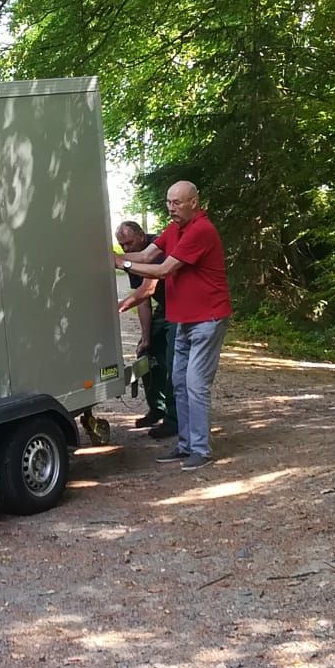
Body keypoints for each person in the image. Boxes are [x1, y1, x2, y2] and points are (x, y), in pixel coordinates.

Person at [113, 181, 231, 470]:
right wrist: (110, 257)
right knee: (179, 381)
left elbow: (164, 269)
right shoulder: (173, 230)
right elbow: (145, 256)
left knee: (195, 384)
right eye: (168, 202)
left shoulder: (201, 230)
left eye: (177, 202)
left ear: (194, 202)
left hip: (207, 319)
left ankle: (201, 450)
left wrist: (121, 264)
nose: (171, 208)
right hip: (184, 320)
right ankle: (186, 445)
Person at [114, 220, 178, 439]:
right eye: (122, 245)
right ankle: (156, 408)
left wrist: (118, 307)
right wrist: (146, 337)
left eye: (129, 243)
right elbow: (143, 303)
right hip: (163, 308)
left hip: (179, 307)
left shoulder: (156, 248)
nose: (126, 248)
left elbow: (147, 289)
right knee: (146, 354)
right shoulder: (132, 258)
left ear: (141, 236)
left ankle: (173, 419)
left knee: (174, 361)